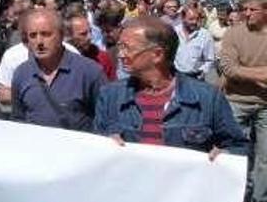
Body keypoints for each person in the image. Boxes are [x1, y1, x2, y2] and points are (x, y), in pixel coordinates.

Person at [96, 16, 247, 161]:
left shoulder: (206, 98)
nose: (120, 55)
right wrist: (104, 145)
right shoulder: (110, 96)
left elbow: (238, 146)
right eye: (120, 47)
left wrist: (225, 154)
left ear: (157, 55)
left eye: (127, 48)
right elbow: (94, 147)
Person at [11, 9, 105, 131]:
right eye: (33, 36)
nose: (39, 42)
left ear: (61, 36)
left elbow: (107, 118)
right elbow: (18, 120)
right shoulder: (21, 74)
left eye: (46, 34)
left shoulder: (89, 72)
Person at [220, 0, 267, 202]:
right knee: (236, 153)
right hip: (237, 100)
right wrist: (262, 74)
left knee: (265, 156)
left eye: (252, 10)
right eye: (244, 9)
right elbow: (229, 68)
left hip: (265, 104)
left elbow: (238, 70)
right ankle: (236, 194)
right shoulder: (234, 33)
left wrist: (244, 72)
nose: (246, 13)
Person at [67, 14, 116, 81]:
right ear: (69, 36)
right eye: (83, 34)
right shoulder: (60, 61)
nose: (90, 37)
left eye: (90, 31)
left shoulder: (102, 58)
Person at [174, 4, 215, 80]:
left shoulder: (205, 35)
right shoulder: (174, 32)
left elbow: (210, 59)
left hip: (196, 77)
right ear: (183, 18)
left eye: (197, 19)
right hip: (177, 76)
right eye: (191, 19)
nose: (195, 22)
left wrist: (203, 71)